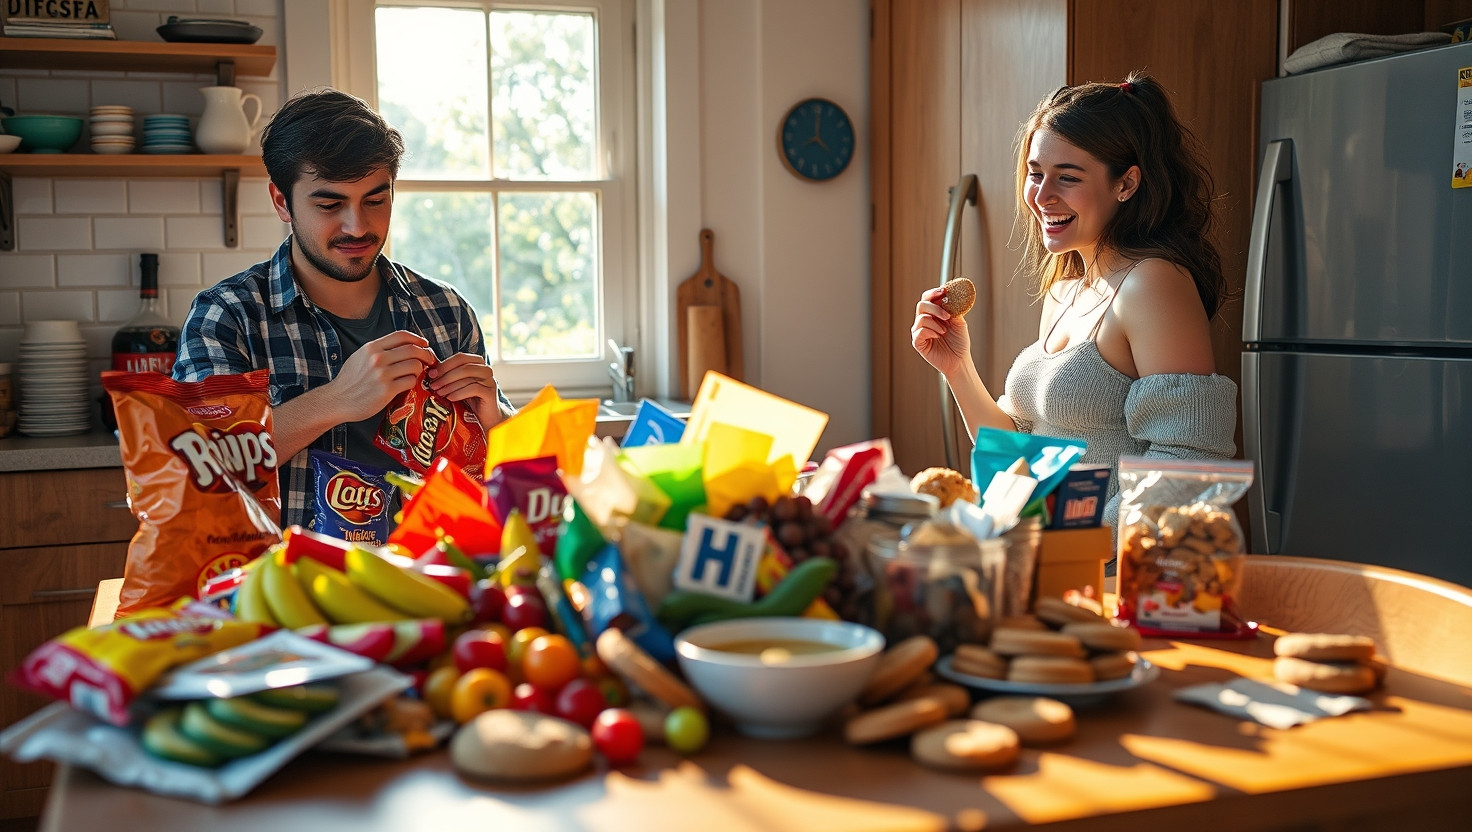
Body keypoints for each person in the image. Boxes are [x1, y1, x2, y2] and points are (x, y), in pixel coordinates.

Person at [174, 88, 513, 527]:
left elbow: (506, 474)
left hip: (429, 580)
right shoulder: (228, 317)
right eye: (330, 204)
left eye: (376, 200)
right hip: (284, 587)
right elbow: (205, 468)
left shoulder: (446, 311)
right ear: (282, 201)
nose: (358, 225)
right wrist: (337, 400)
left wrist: (497, 419)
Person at [911, 72, 1237, 527]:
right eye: (1035, 173)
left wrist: (1078, 545)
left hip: (1111, 569)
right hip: (1051, 554)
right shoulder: (1066, 288)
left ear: (1126, 184)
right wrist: (957, 368)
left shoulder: (1153, 284)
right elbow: (1023, 456)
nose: (1042, 196)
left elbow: (1187, 461)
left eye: (1067, 177)